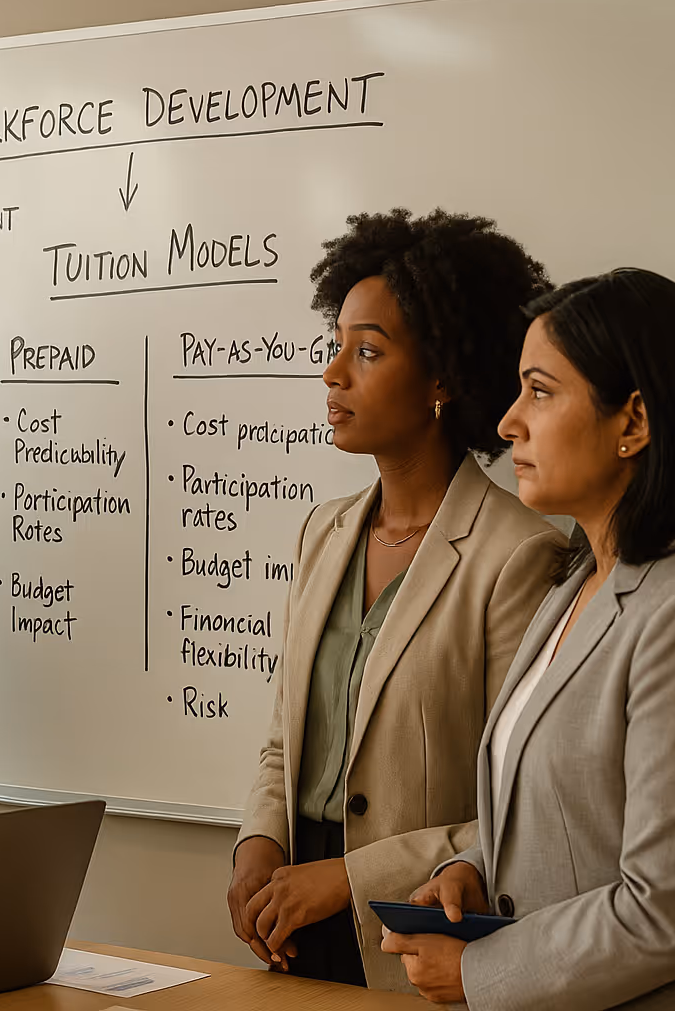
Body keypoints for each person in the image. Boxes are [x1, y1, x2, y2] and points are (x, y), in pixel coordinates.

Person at [387, 269, 675, 1010]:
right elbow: (569, 824)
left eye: (539, 390)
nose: (508, 422)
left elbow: (668, 914)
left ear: (633, 423)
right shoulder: (573, 585)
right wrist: (473, 869)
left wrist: (476, 975)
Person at [227, 209, 563, 989]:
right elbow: (285, 738)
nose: (333, 373)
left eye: (368, 351)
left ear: (443, 378)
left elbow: (523, 809)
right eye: (336, 344)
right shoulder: (324, 532)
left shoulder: (519, 555)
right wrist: (256, 847)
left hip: (419, 930)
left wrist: (350, 877)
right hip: (292, 917)